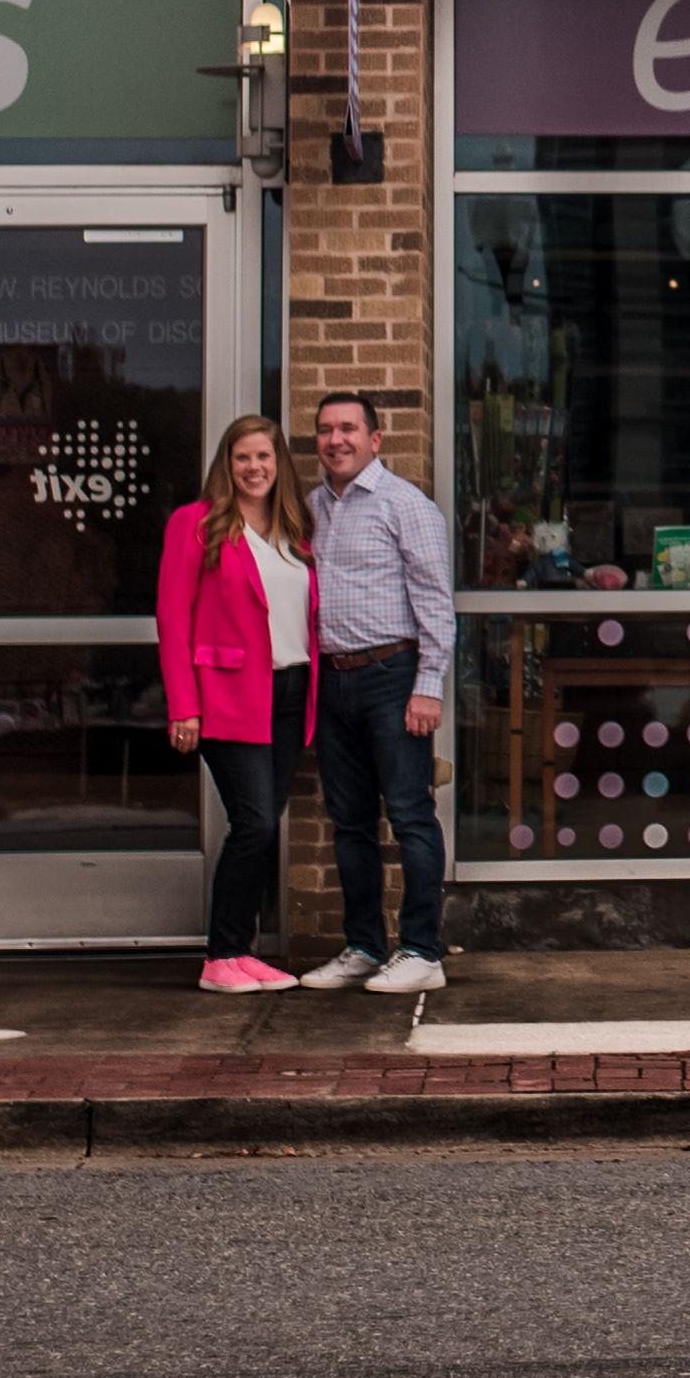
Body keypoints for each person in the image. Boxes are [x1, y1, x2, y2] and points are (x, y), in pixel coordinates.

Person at [297, 386, 456, 994]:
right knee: (351, 822)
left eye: (348, 429)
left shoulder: (404, 504)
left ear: (375, 438)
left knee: (411, 815)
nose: (336, 440)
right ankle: (364, 945)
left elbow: (437, 604)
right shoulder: (312, 507)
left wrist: (428, 688)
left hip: (393, 679)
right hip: (333, 682)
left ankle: (422, 951)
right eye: (325, 430)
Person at [155, 410, 318, 992]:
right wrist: (183, 705)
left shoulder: (294, 528)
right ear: (227, 463)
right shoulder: (196, 524)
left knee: (265, 824)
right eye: (243, 456)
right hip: (226, 694)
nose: (254, 467)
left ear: (280, 465)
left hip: (290, 690)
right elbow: (173, 618)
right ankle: (220, 957)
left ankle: (241, 952)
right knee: (252, 822)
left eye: (265, 457)